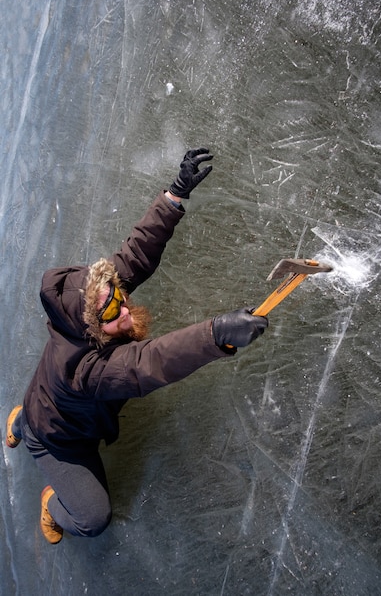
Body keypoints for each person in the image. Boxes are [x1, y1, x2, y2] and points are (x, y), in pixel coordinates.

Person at [5, 148, 268, 544]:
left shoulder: (94, 299)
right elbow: (148, 363)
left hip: (48, 399)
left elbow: (135, 254)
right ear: (92, 329)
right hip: (62, 439)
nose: (123, 309)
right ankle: (51, 500)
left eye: (117, 296)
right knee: (93, 519)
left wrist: (174, 195)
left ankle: (22, 420)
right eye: (111, 313)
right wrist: (215, 334)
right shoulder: (87, 370)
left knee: (40, 410)